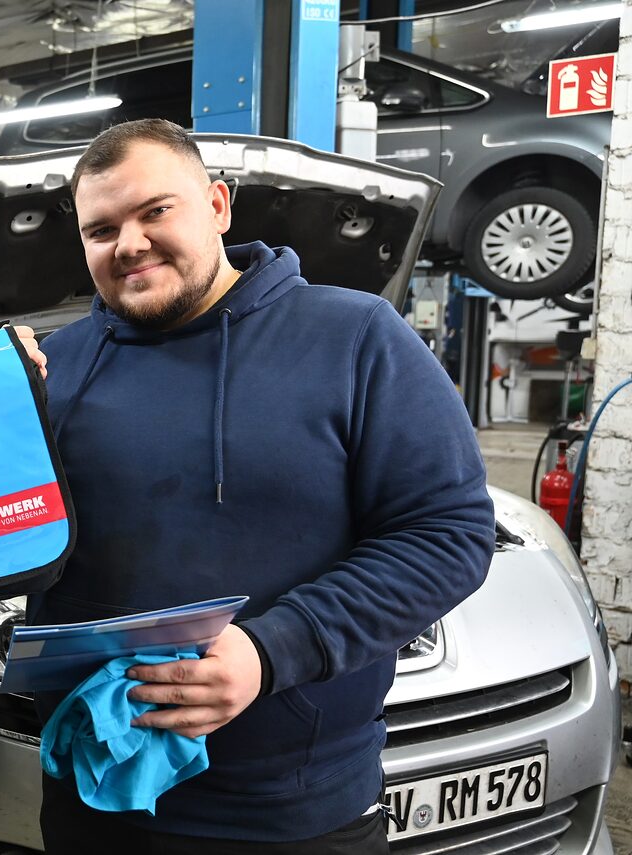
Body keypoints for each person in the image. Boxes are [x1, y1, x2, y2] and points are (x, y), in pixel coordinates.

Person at [32, 118, 495, 852]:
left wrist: (271, 650)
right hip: (96, 790)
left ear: (218, 205)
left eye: (156, 211)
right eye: (101, 229)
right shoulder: (56, 368)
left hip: (290, 810)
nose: (128, 244)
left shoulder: (356, 338)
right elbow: (11, 529)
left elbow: (448, 534)